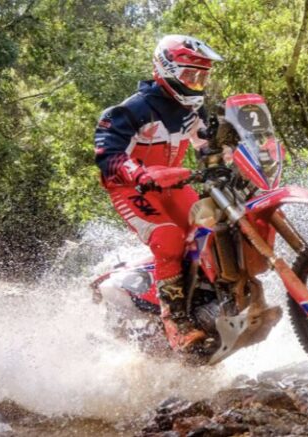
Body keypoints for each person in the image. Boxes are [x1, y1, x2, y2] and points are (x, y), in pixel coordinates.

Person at [93, 35, 223, 353]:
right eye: (190, 75)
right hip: (132, 188)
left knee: (213, 225)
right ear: (166, 70)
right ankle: (176, 323)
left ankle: (216, 297)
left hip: (172, 184)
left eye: (201, 77)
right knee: (169, 239)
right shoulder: (129, 110)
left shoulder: (192, 109)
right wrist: (139, 173)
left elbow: (207, 145)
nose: (196, 83)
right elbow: (108, 155)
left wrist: (229, 159)